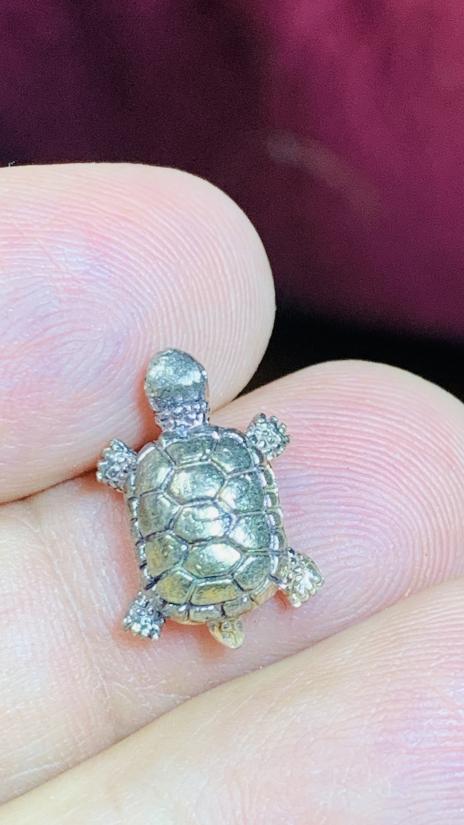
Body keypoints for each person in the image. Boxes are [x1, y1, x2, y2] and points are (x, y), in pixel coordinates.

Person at [0, 163, 463, 824]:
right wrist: (264, 441)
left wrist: (119, 468)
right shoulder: (227, 445)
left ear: (162, 404)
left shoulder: (149, 461)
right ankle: (281, 570)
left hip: (181, 586)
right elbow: (253, 462)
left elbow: (134, 487)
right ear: (195, 396)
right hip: (250, 569)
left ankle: (164, 604)